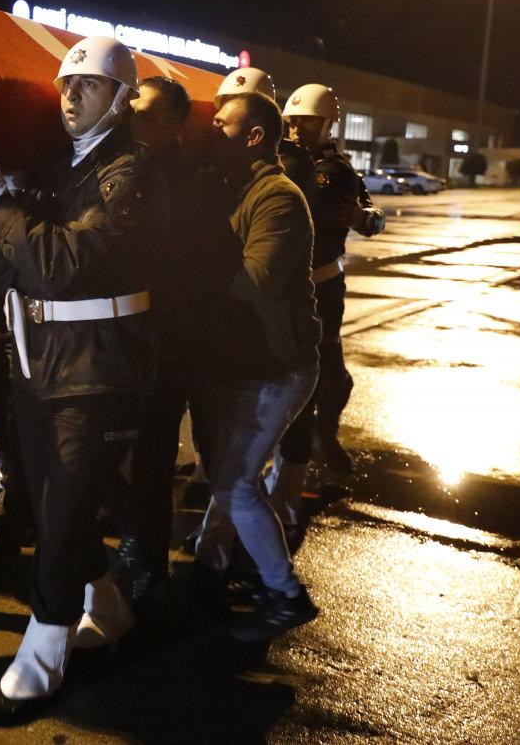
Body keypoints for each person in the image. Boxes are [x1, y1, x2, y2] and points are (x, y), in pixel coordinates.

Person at [0, 35, 163, 726]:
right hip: (38, 360)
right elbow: (6, 269)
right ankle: (109, 606)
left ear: (121, 97)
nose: (71, 94)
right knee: (53, 508)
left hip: (100, 368)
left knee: (67, 510)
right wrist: (6, 199)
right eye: (66, 84)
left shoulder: (132, 174)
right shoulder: (54, 165)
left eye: (89, 84)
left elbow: (61, 265)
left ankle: (43, 654)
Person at [188, 91, 321, 642]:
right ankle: (212, 561)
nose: (210, 131)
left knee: (237, 482)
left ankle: (286, 595)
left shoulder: (278, 197)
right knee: (228, 476)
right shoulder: (235, 185)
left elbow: (256, 281)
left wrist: (188, 263)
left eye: (221, 124)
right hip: (243, 361)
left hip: (275, 365)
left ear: (254, 136)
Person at [275, 84, 385, 532]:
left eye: (307, 122)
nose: (298, 130)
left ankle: (320, 440)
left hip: (323, 286)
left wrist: (361, 218)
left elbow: (373, 216)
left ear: (327, 125)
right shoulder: (278, 159)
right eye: (292, 122)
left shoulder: (338, 171)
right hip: (281, 287)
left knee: (328, 374)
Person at [115, 74, 199, 608]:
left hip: (166, 340)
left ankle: (149, 564)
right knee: (115, 454)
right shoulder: (124, 165)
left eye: (145, 114)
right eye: (130, 111)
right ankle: (133, 542)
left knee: (150, 458)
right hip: (121, 335)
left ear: (175, 124)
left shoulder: (185, 179)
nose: (132, 121)